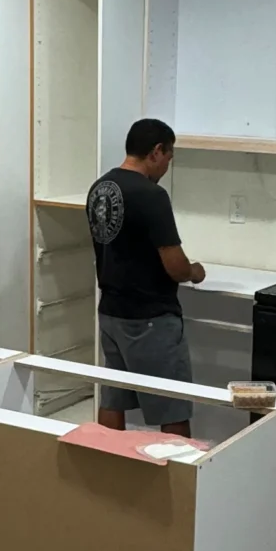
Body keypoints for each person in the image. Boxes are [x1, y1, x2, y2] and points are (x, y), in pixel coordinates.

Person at [86, 118, 207, 437]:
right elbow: (176, 267)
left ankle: (108, 469)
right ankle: (177, 481)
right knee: (172, 404)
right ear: (156, 151)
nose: (167, 165)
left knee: (114, 396)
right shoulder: (152, 195)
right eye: (169, 157)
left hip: (111, 313)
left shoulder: (100, 188)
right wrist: (195, 271)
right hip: (150, 317)